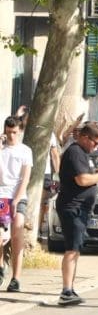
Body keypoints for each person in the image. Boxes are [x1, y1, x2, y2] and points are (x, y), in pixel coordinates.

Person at [57, 122, 98, 306]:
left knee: (75, 249)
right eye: (95, 142)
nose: (97, 147)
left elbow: (88, 176)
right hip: (73, 207)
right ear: (84, 137)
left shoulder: (84, 154)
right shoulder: (75, 152)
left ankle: (70, 288)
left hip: (81, 208)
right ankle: (66, 291)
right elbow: (83, 180)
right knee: (71, 249)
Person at [0, 115, 32, 292]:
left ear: (20, 131)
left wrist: (17, 199)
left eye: (14, 132)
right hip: (1, 196)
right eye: (8, 132)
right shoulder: (1, 149)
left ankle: (16, 278)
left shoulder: (25, 151)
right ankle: (1, 266)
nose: (11, 136)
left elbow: (25, 178)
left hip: (18, 195)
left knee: (17, 232)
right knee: (0, 236)